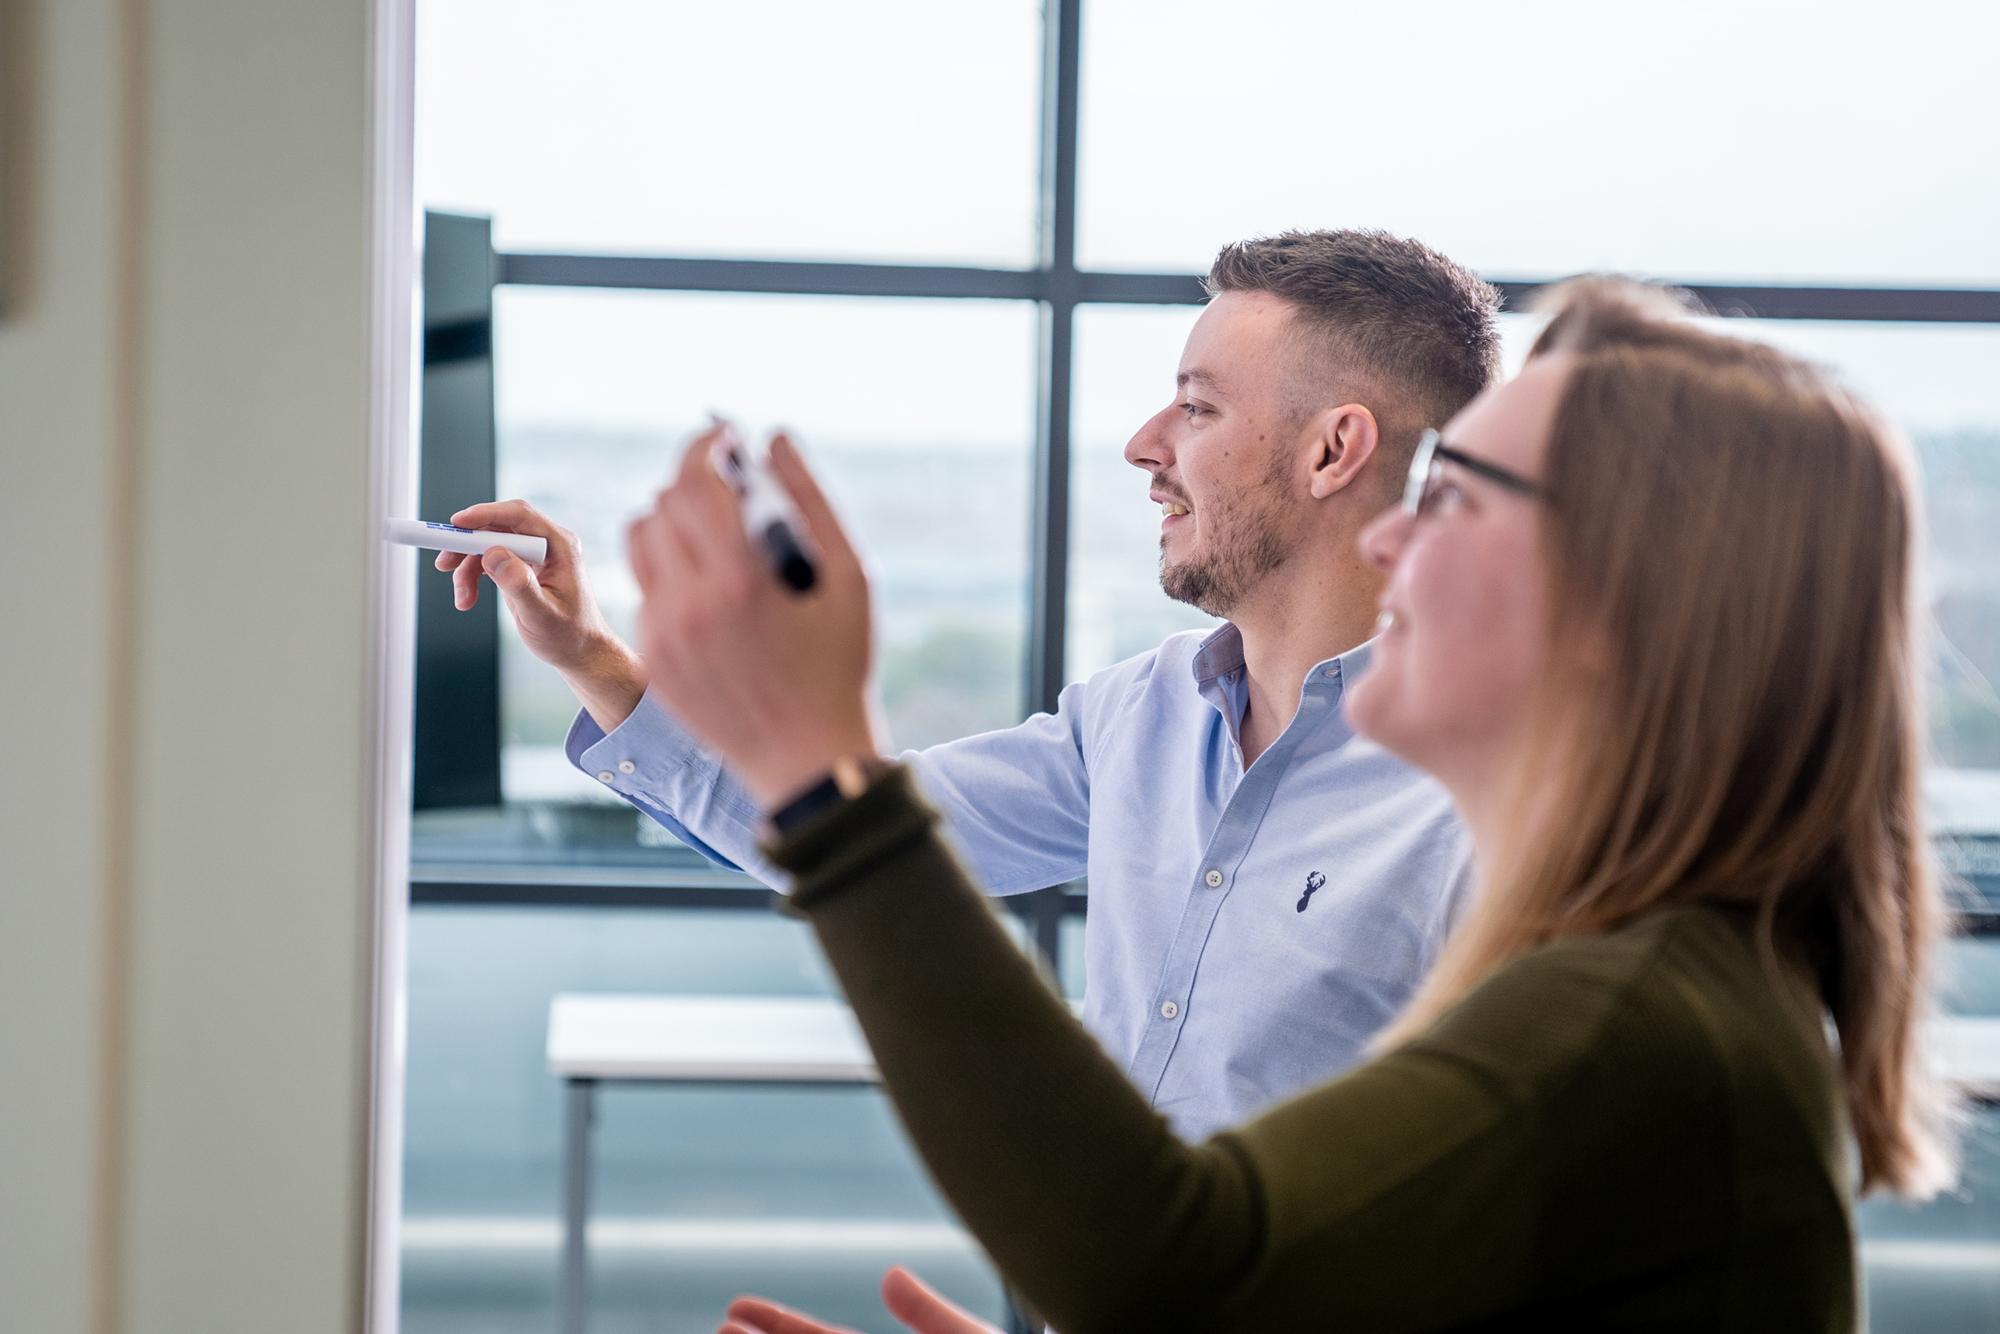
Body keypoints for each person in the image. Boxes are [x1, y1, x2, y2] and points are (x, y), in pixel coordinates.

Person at [625, 278, 1958, 1332]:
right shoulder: (1662, 984)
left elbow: (1176, 1268)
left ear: (1621, 597)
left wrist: (822, 761)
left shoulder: (1633, 1017)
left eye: (1457, 502)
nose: (1388, 541)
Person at [439, 230, 1500, 1141]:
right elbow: (835, 828)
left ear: (1332, 450)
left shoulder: (1495, 806)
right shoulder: (1132, 720)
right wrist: (592, 657)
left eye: (1196, 407)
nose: (1143, 445)